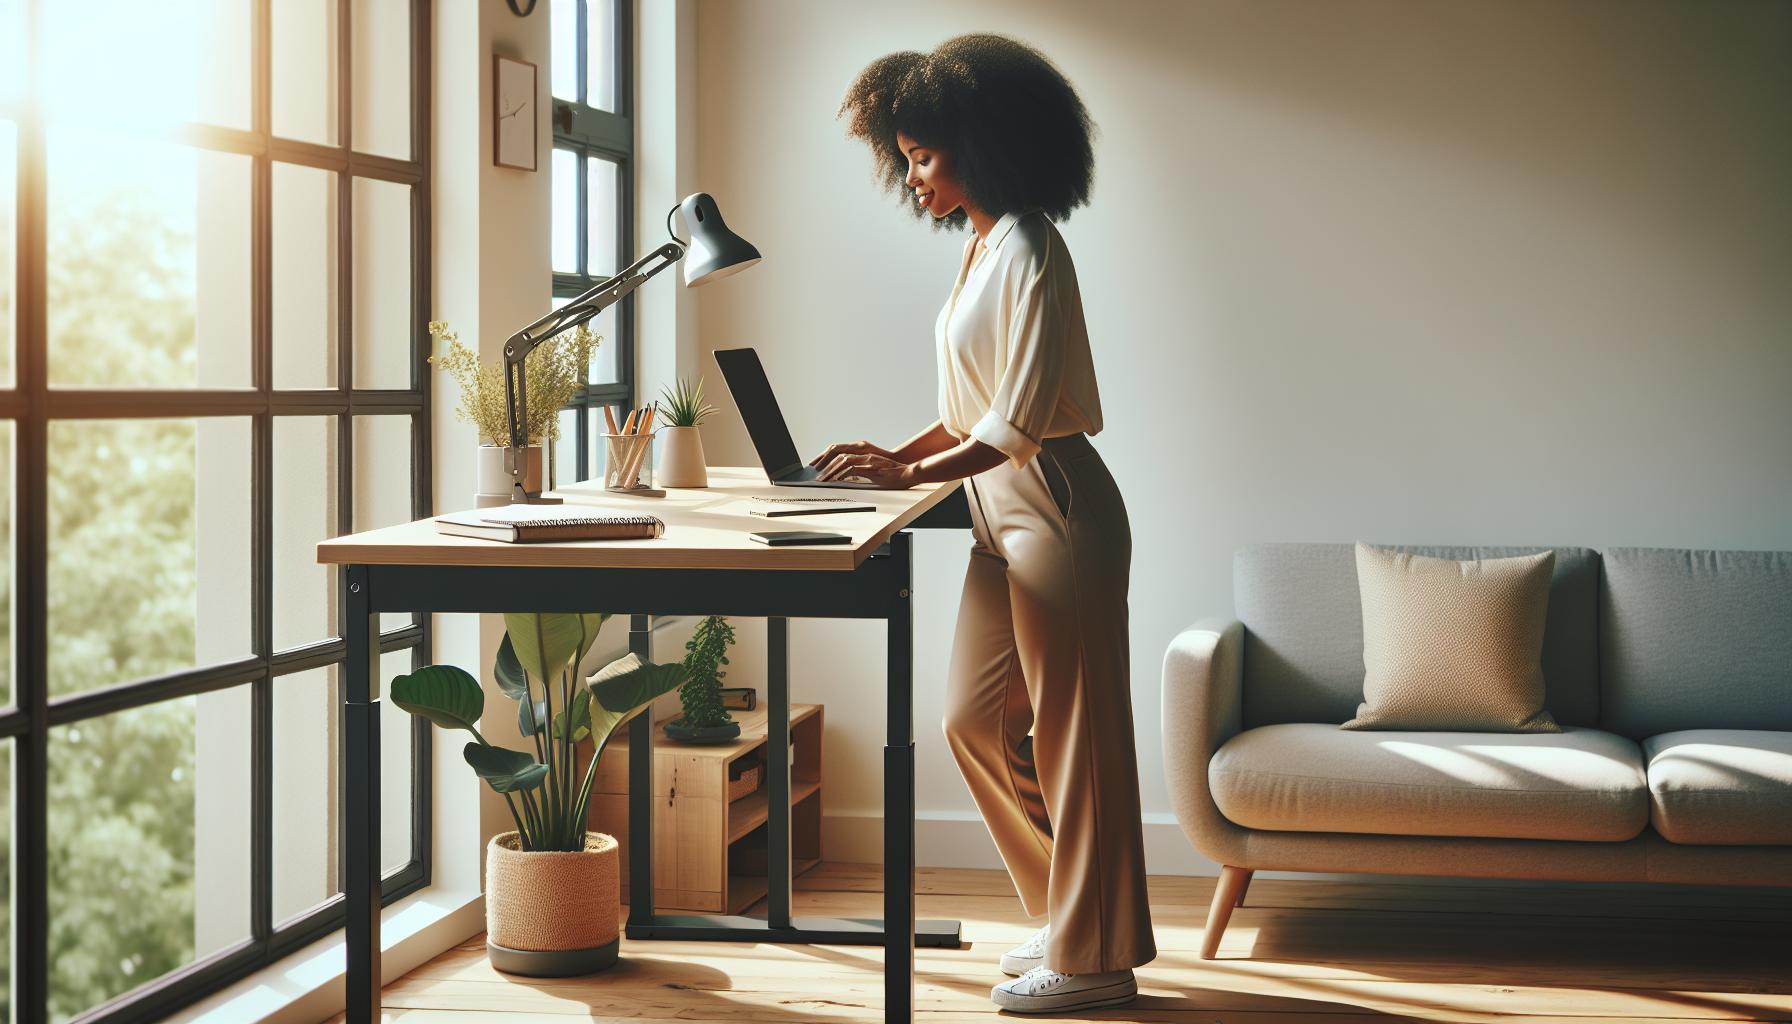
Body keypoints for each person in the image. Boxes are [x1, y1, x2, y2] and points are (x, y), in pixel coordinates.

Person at [813, 32, 1156, 1015]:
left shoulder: (1034, 247)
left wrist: (912, 470)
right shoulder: (980, 246)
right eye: (906, 158)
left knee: (1077, 736)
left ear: (984, 144)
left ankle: (1096, 958)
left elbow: (1015, 424)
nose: (913, 176)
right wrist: (888, 453)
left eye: (925, 155)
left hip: (1055, 505)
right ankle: (1070, 910)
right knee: (973, 718)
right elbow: (971, 410)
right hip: (993, 512)